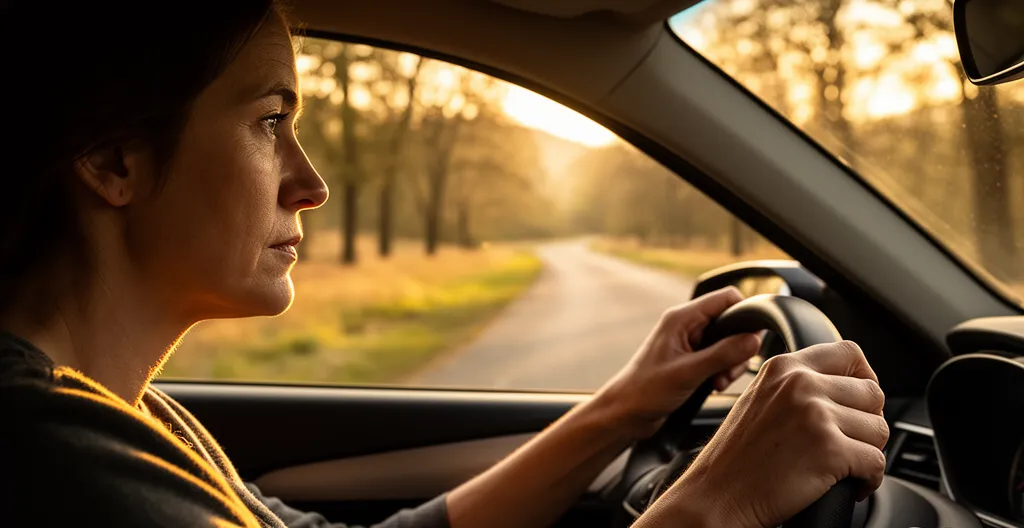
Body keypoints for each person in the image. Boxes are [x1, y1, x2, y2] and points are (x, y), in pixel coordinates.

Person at [0, 1, 889, 527]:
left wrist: (623, 408)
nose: (310, 186)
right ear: (115, 160)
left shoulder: (126, 414)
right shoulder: (44, 453)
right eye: (270, 121)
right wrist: (711, 505)